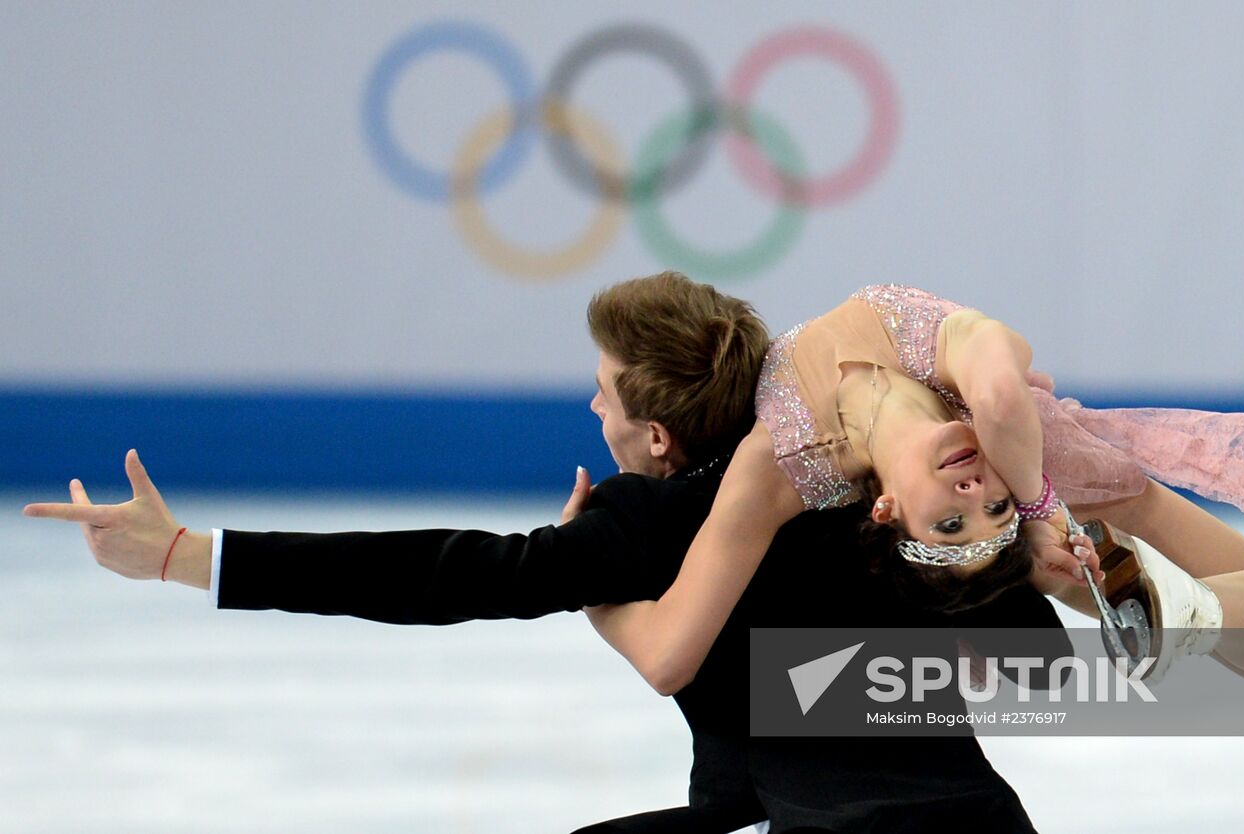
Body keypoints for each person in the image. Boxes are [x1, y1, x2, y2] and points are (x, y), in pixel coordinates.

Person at [24, 273, 1068, 834]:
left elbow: (440, 573)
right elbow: (1036, 665)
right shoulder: (885, 495)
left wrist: (191, 557)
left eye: (603, 390)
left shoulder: (647, 525)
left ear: (654, 437)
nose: (590, 403)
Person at [584, 283, 1244, 698]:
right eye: (986, 513)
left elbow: (1000, 399)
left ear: (885, 508)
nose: (977, 492)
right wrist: (596, 588)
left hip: (1049, 485)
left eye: (950, 518)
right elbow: (667, 661)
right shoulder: (777, 471)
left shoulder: (794, 442)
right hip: (1055, 508)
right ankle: (1177, 609)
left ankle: (1185, 613)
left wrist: (1033, 507)